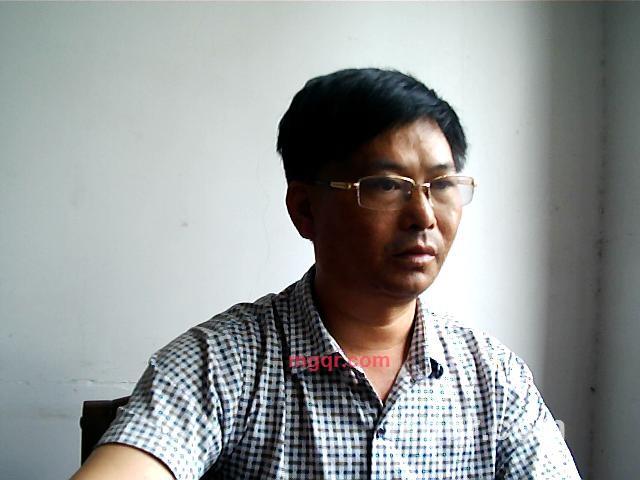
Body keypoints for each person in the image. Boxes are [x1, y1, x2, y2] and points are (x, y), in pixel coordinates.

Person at [70, 68, 581, 479]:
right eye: (386, 184)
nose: (424, 215)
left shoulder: (494, 377)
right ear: (305, 209)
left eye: (442, 185)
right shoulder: (223, 364)